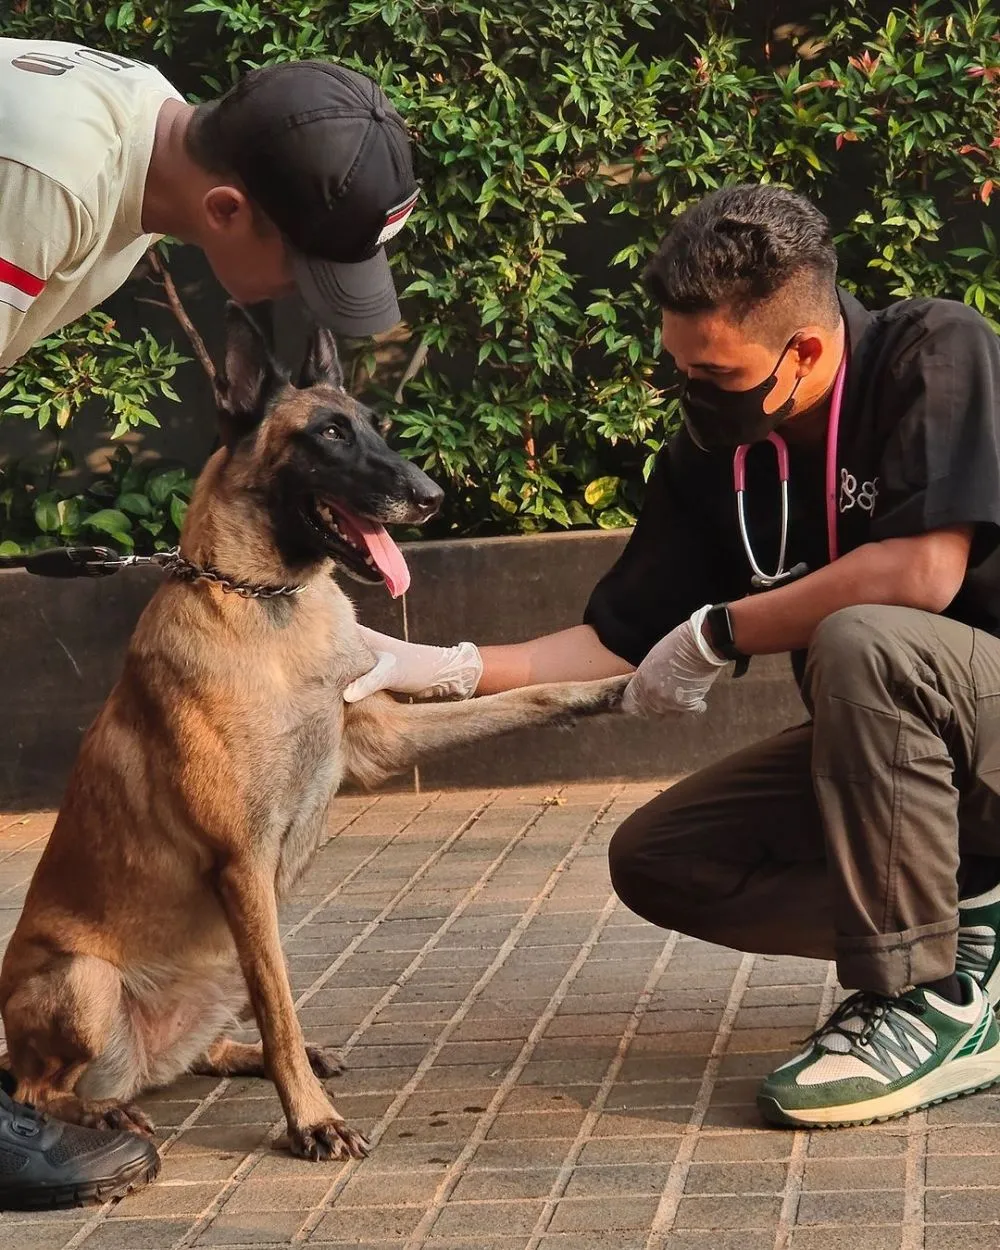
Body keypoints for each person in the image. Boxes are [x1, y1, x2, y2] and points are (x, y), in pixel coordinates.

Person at [346, 182, 1000, 1129]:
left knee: (862, 638)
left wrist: (721, 629)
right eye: (680, 371)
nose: (696, 397)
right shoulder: (718, 458)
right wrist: (438, 671)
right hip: (941, 780)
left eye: (718, 376)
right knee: (665, 858)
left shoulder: (934, 353)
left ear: (805, 349)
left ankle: (921, 995)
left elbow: (920, 573)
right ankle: (974, 939)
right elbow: (617, 640)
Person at [0, 35, 417, 1206]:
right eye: (305, 276)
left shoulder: (137, 142)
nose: (303, 310)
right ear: (231, 211)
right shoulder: (55, 177)